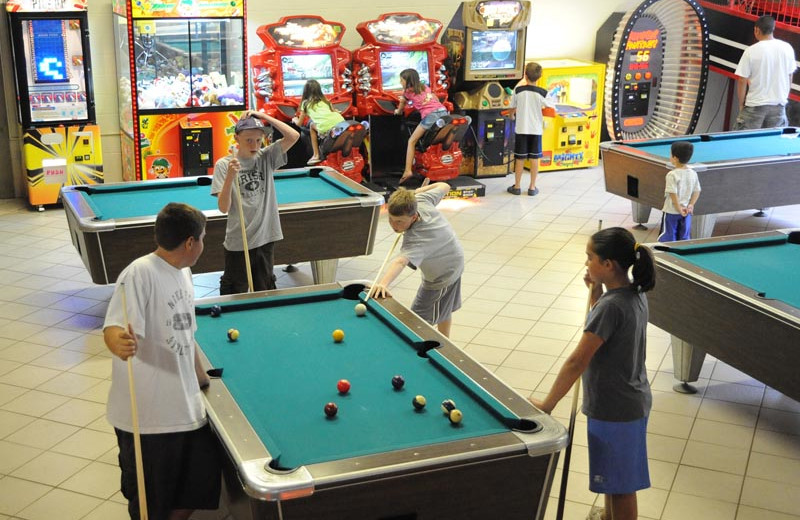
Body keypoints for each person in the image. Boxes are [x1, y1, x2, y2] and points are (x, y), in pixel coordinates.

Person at [104, 202, 221, 520]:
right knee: (149, 505)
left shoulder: (183, 272)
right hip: (149, 419)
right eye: (203, 238)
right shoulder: (138, 273)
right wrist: (120, 343)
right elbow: (114, 327)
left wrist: (201, 377)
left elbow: (186, 333)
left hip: (184, 407)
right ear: (190, 242)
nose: (202, 244)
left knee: (202, 483)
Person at [531, 227, 655, 520]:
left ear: (608, 264)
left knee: (621, 486)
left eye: (590, 258)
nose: (586, 263)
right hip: (629, 399)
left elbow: (578, 360)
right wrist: (597, 292)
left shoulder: (610, 307)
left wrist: (549, 403)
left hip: (615, 408)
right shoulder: (632, 294)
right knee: (616, 481)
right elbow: (606, 328)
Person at [211, 110, 299, 295]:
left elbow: (294, 135)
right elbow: (223, 208)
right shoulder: (223, 165)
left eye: (259, 140)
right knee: (235, 291)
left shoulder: (266, 157)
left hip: (265, 236)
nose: (255, 145)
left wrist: (262, 116)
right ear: (236, 138)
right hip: (238, 240)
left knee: (265, 287)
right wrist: (229, 177)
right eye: (249, 140)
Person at [369, 182, 463, 337]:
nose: (394, 225)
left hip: (443, 275)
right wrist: (416, 192)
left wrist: (383, 284)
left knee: (414, 323)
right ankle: (447, 347)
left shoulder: (417, 238)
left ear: (413, 217)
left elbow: (400, 261)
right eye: (391, 219)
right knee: (443, 308)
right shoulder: (419, 200)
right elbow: (444, 186)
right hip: (453, 259)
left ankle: (437, 350)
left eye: (399, 221)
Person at [734, 15, 797, 130]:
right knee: (773, 144)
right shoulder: (787, 48)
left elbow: (742, 80)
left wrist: (741, 104)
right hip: (778, 106)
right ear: (773, 29)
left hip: (755, 106)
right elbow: (790, 76)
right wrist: (783, 97)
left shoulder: (750, 51)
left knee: (745, 143)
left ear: (757, 29)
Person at [507, 61, 555, 196]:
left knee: (520, 158)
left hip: (521, 128)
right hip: (536, 129)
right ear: (539, 77)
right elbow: (551, 107)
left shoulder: (518, 90)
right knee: (535, 158)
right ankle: (532, 187)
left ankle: (517, 186)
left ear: (525, 75)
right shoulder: (543, 93)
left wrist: (511, 115)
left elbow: (512, 107)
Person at [394, 68, 450, 184]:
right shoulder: (424, 86)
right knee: (434, 140)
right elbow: (434, 98)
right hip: (443, 112)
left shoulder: (407, 93)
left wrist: (397, 112)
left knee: (411, 141)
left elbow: (401, 107)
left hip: (430, 116)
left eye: (401, 80)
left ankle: (408, 170)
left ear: (407, 81)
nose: (400, 82)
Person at [293, 79, 345, 165]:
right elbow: (335, 111)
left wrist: (294, 120)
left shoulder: (305, 103)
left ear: (306, 91)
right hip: (342, 124)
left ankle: (316, 155)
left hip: (327, 129)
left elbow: (299, 123)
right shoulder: (325, 101)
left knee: (311, 126)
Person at [658, 141, 701, 242]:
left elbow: (673, 194)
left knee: (669, 235)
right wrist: (691, 205)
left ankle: (668, 255)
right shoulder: (693, 173)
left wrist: (679, 208)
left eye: (670, 154)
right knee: (684, 236)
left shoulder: (672, 175)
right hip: (687, 211)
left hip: (672, 211)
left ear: (675, 158)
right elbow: (697, 191)